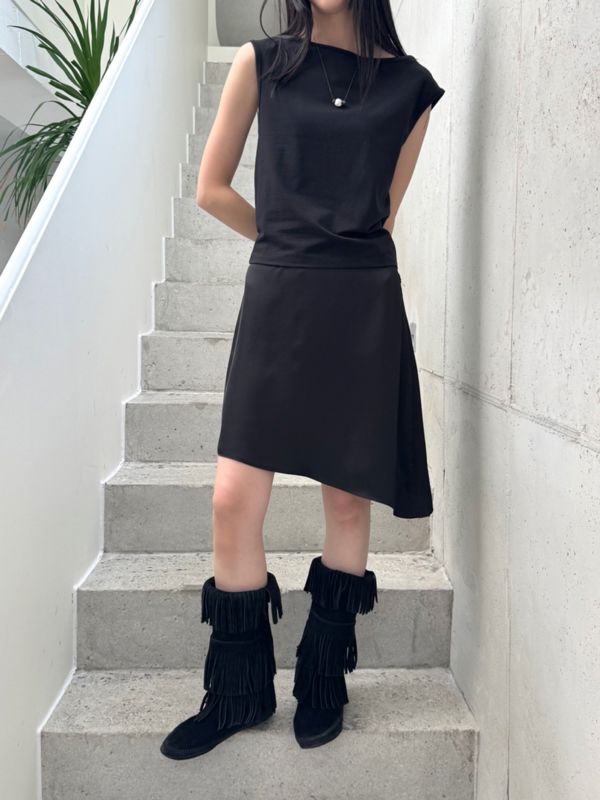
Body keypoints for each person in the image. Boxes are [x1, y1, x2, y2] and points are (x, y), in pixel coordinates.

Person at [160, 0, 445, 760]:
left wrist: (325, 249)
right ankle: (239, 692)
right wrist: (290, 240)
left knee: (347, 498)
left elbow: (384, 214)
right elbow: (212, 188)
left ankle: (322, 680)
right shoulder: (262, 64)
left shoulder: (411, 87)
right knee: (232, 498)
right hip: (280, 293)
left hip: (360, 304)